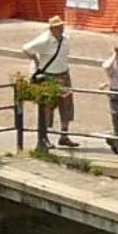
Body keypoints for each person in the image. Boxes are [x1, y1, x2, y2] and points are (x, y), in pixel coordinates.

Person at [21, 15, 77, 147]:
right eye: (58, 27)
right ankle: (44, 137)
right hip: (49, 76)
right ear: (52, 28)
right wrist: (35, 60)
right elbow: (26, 48)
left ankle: (64, 135)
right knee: (47, 108)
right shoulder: (44, 40)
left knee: (66, 106)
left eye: (62, 26)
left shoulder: (65, 39)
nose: (61, 29)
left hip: (63, 75)